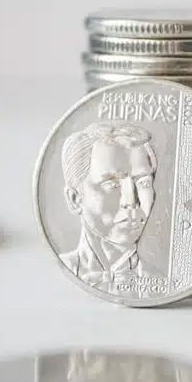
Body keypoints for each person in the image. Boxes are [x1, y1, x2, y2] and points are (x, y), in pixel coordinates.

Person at [58, 122, 165, 297]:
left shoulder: (162, 283)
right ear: (75, 199)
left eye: (143, 183)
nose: (132, 201)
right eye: (112, 184)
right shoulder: (55, 274)